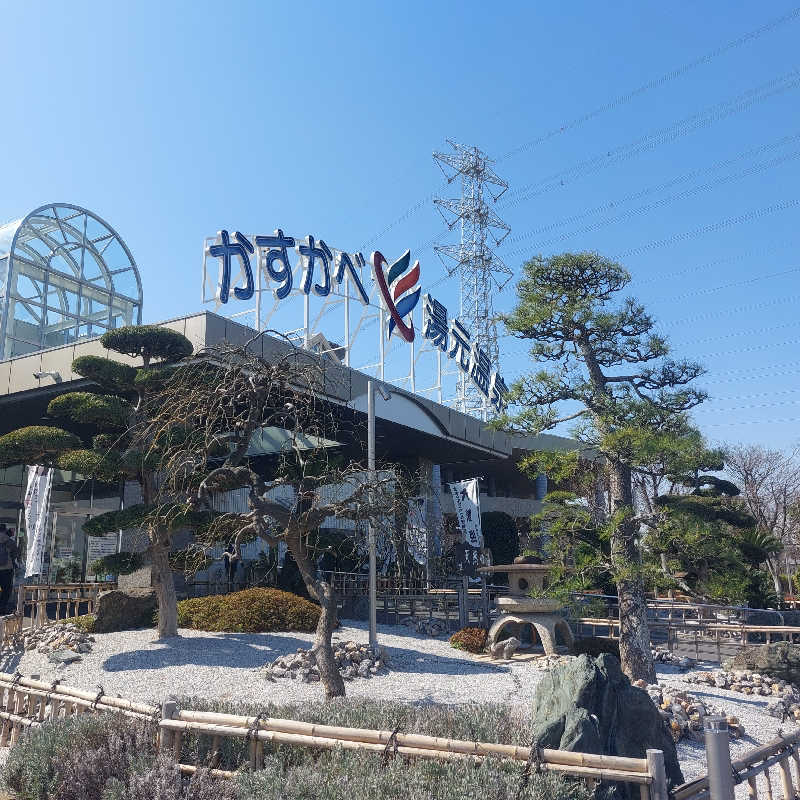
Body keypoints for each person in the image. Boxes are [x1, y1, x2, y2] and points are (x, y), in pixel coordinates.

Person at [0, 524, 19, 614]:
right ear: (4, 530)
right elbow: (15, 553)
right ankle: (2, 607)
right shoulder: (9, 541)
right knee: (6, 589)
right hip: (7, 569)